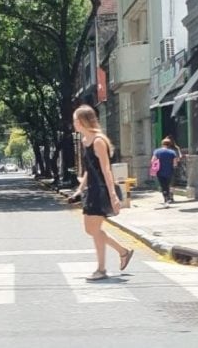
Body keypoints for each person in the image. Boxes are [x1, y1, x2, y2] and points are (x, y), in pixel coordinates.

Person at [70, 105, 133, 281]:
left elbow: (106, 170)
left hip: (101, 190)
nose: (73, 124)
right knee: (92, 229)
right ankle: (122, 251)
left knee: (93, 229)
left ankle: (102, 268)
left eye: (75, 120)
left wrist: (113, 196)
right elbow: (89, 170)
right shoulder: (84, 141)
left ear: (83, 121)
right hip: (92, 190)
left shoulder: (98, 141)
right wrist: (79, 190)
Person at [152, 138, 179, 204]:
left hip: (160, 171)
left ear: (162, 144)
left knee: (163, 185)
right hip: (169, 171)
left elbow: (153, 160)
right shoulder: (172, 152)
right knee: (168, 185)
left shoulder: (157, 151)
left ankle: (165, 198)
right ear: (169, 144)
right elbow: (175, 163)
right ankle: (168, 197)